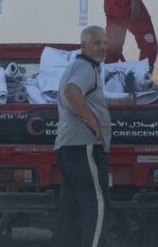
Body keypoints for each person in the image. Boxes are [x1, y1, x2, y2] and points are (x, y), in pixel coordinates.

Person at [53, 26, 113, 247]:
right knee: (97, 208)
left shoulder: (79, 66)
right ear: (84, 45)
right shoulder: (86, 68)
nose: (102, 48)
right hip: (83, 145)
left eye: (105, 43)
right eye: (97, 43)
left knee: (70, 210)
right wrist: (92, 121)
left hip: (68, 146)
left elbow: (80, 95)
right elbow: (72, 92)